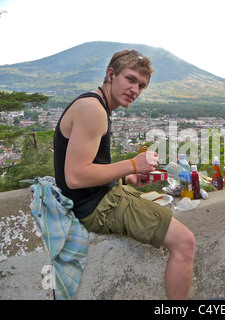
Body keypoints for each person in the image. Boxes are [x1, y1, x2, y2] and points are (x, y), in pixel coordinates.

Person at [53, 49, 195, 300]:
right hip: (95, 207)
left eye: (141, 86)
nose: (135, 90)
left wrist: (124, 178)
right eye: (130, 79)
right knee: (185, 242)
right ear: (111, 74)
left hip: (95, 197)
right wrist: (132, 164)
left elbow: (88, 167)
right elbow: (75, 177)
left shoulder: (94, 104)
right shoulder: (93, 109)